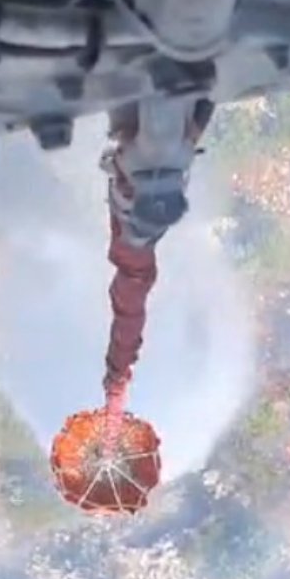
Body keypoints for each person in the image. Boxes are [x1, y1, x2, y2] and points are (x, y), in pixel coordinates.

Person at [98, 96, 214, 446]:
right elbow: (127, 320)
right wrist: (116, 384)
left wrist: (116, 394)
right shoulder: (134, 261)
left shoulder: (177, 156)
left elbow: (129, 322)